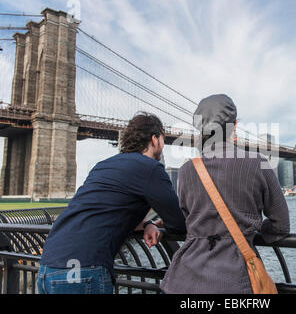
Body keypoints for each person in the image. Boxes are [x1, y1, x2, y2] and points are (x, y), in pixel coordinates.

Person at [37, 112, 186, 294]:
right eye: (162, 139)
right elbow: (179, 224)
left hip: (47, 266)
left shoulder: (103, 165)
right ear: (155, 140)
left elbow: (107, 210)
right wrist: (159, 226)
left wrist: (147, 223)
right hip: (82, 270)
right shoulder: (151, 168)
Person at [160, 94, 290, 294]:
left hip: (185, 280)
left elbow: (188, 220)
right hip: (234, 281)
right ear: (234, 125)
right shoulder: (258, 163)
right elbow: (281, 225)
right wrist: (250, 230)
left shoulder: (186, 170)